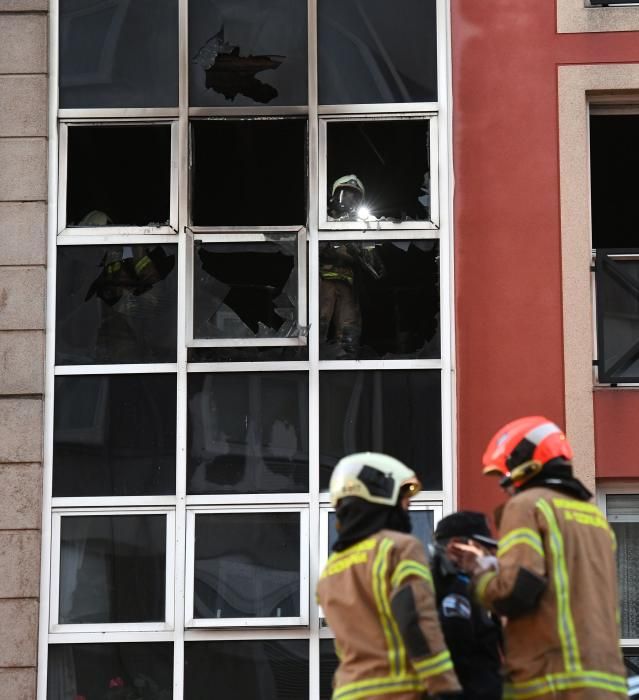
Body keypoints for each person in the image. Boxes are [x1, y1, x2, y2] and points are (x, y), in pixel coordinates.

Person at [453, 416, 627, 700]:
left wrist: (480, 573)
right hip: (605, 683)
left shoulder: (527, 505)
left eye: (504, 477)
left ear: (524, 464)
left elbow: (516, 590)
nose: (504, 487)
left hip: (551, 681)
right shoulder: (594, 517)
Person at [317, 452, 462, 700]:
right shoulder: (399, 548)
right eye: (405, 502)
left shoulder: (331, 570)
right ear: (381, 499)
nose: (408, 510)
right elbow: (415, 620)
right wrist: (445, 686)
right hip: (396, 691)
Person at [430, 511, 503, 699]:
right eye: (483, 548)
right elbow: (458, 649)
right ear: (457, 548)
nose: (491, 554)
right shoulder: (456, 591)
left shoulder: (439, 587)